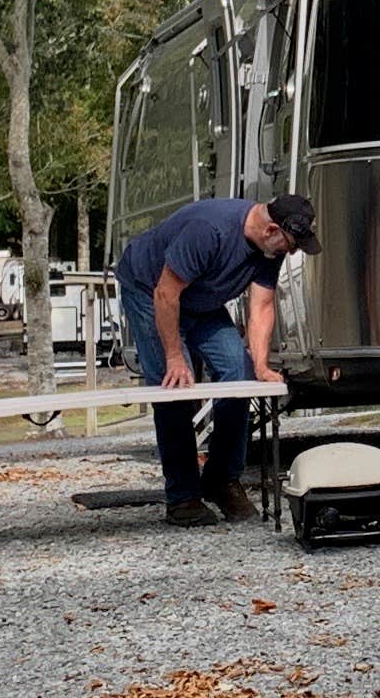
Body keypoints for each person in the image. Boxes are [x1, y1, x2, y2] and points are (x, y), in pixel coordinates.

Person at [112, 193, 317, 526]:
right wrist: (175, 356)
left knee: (240, 374)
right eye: (290, 246)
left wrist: (261, 366)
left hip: (200, 299)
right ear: (271, 230)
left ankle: (222, 480)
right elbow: (166, 293)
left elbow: (262, 306)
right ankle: (183, 497)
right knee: (174, 386)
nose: (291, 253)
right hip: (150, 290)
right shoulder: (208, 230)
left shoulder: (270, 248)